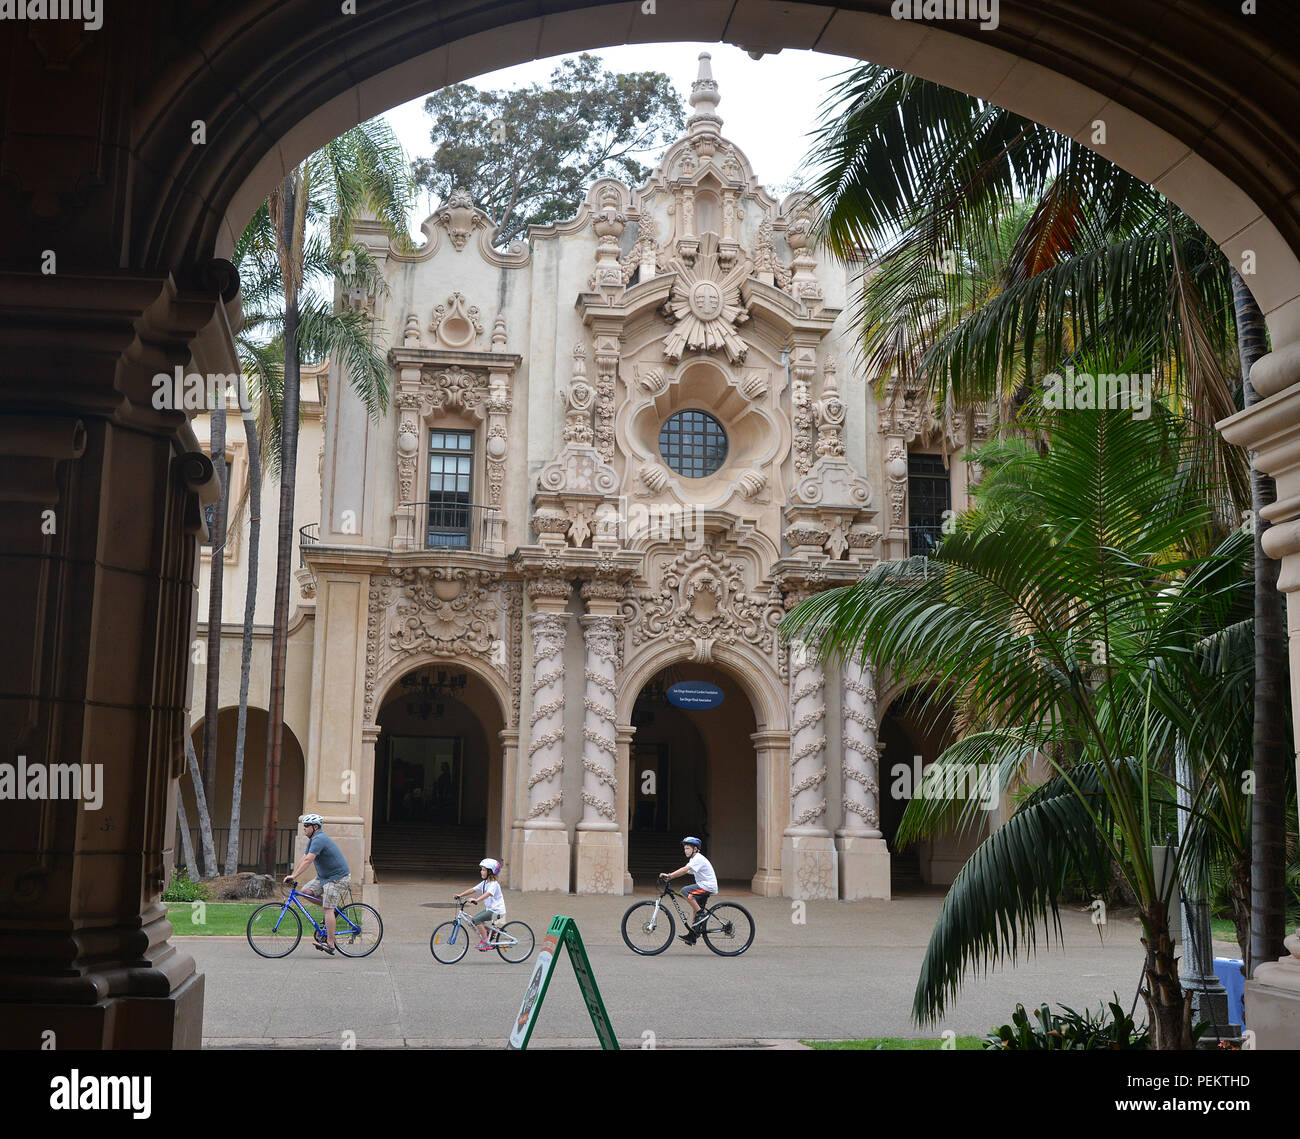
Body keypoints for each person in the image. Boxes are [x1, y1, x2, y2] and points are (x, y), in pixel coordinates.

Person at [284, 814, 351, 955]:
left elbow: (309, 860)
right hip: (324, 877)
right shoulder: (313, 839)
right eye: (304, 825)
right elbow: (304, 857)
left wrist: (295, 876)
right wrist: (292, 874)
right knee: (306, 892)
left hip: (337, 878)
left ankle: (330, 944)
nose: (304, 828)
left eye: (306, 826)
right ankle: (333, 909)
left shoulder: (319, 839)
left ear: (315, 827)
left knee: (327, 909)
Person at [660, 836, 717, 946]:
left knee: (685, 891)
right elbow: (685, 871)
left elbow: (684, 869)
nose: (685, 850)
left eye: (687, 848)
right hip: (704, 885)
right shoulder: (694, 860)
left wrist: (670, 876)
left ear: (695, 849)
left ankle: (701, 914)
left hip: (707, 886)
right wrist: (671, 876)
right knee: (695, 909)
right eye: (685, 848)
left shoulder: (698, 858)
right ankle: (693, 936)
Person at [454, 858, 506, 950]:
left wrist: (477, 900)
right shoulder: (485, 883)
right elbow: (472, 890)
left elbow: (488, 894)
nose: (481, 872)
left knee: (477, 919)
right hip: (490, 910)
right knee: (474, 919)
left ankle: (486, 942)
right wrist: (460, 895)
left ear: (490, 872)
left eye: (484, 870)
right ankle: (492, 931)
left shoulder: (494, 884)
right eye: (481, 869)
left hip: (497, 911)